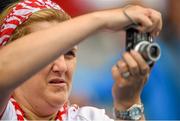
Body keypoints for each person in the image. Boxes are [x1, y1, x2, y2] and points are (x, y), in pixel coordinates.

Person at [0, 0, 162, 120]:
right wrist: (102, 20)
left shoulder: (88, 117)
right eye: (48, 55)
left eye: (69, 53)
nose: (62, 66)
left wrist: (128, 102)